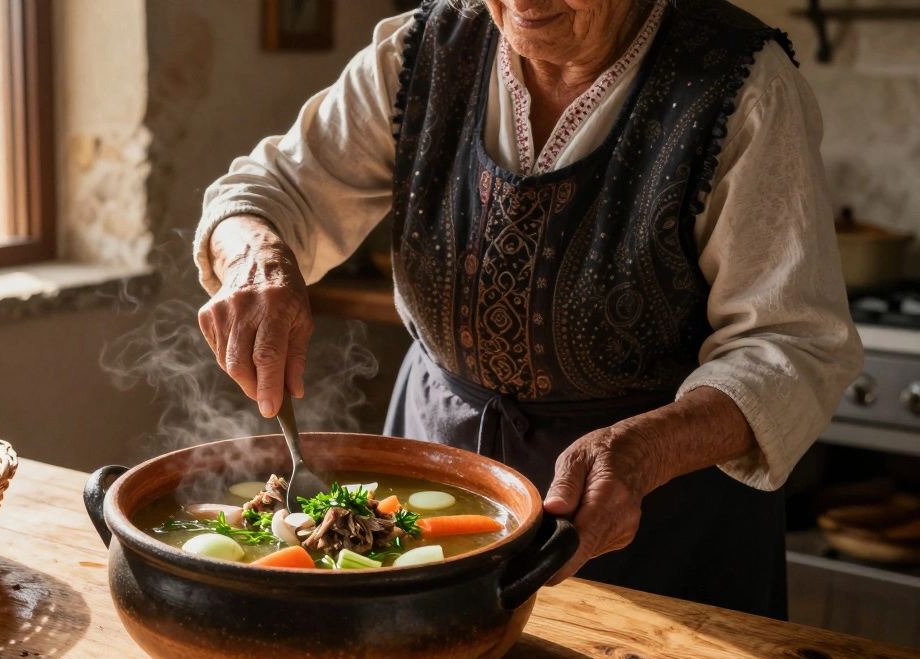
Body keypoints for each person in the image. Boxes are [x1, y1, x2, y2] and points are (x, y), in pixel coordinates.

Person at [192, 0, 862, 618]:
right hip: (437, 484)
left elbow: (790, 344)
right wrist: (256, 256)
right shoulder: (422, 52)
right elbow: (269, 188)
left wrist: (641, 451)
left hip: (659, 518)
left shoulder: (741, 86)